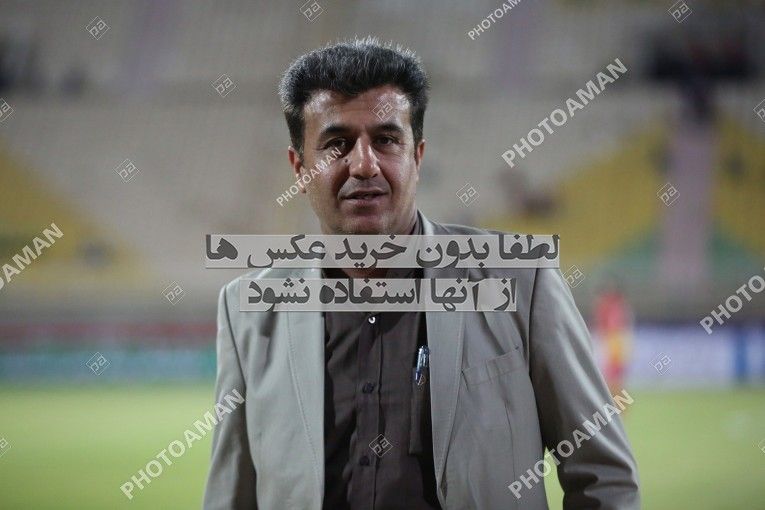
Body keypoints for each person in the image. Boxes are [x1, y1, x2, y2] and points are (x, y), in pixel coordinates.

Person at [202, 36, 640, 510]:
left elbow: (603, 476)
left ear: (417, 156)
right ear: (299, 167)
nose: (363, 164)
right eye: (336, 144)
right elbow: (231, 496)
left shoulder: (521, 280)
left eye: (386, 140)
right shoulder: (248, 311)